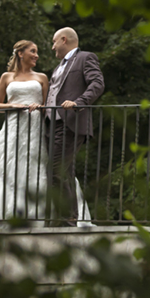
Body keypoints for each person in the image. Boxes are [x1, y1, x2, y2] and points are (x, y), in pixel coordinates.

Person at [0, 40, 91, 230]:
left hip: (36, 127)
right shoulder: (6, 77)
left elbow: (48, 106)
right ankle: (0, 217)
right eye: (33, 51)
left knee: (41, 166)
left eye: (37, 52)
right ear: (20, 53)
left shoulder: (42, 78)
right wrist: (14, 106)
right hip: (13, 126)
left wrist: (40, 107)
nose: (37, 55)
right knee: (4, 166)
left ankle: (49, 216)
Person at [45, 27, 104, 226]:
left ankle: (66, 220)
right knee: (65, 172)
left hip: (70, 122)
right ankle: (69, 217)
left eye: (54, 42)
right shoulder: (58, 67)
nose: (52, 47)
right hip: (52, 124)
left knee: (56, 170)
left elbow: (97, 83)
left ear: (63, 40)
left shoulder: (85, 58)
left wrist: (79, 102)